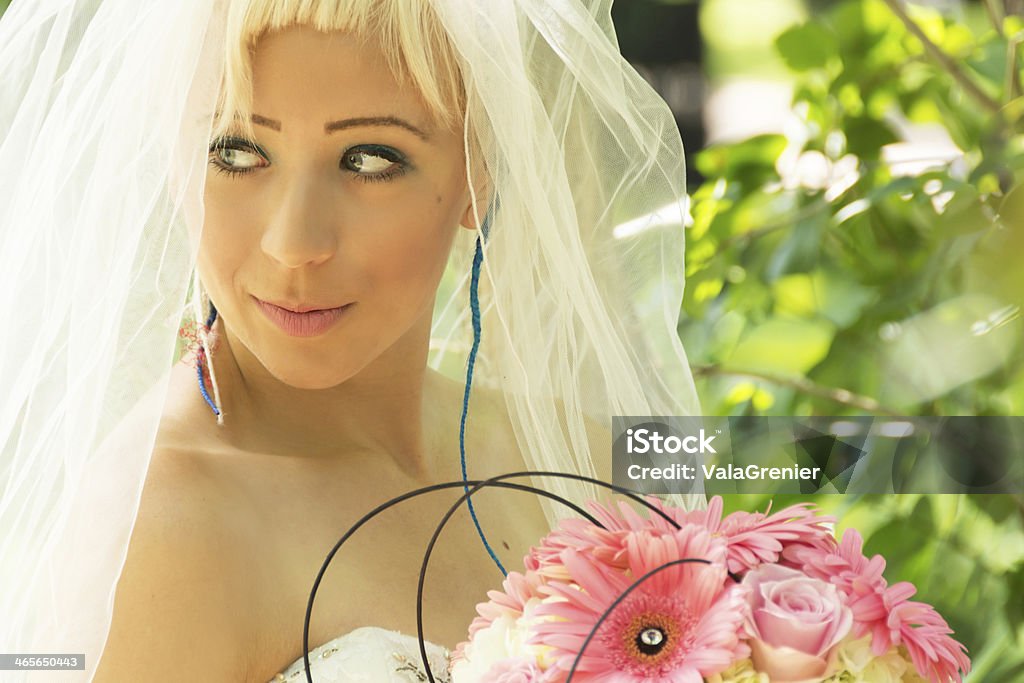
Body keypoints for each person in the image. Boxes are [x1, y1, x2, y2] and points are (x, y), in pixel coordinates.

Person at [0, 0, 702, 681]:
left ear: (479, 169)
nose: (294, 243)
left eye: (367, 160)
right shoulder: (163, 530)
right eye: (236, 151)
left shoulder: (585, 445)